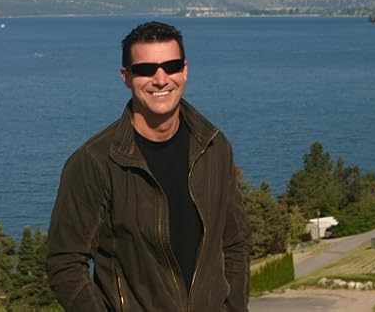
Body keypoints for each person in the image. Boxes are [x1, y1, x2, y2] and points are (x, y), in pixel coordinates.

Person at [46, 21, 251, 311]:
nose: (160, 79)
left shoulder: (214, 148)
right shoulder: (95, 163)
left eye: (171, 66)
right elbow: (65, 263)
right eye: (146, 69)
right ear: (126, 77)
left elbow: (235, 243)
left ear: (185, 70)